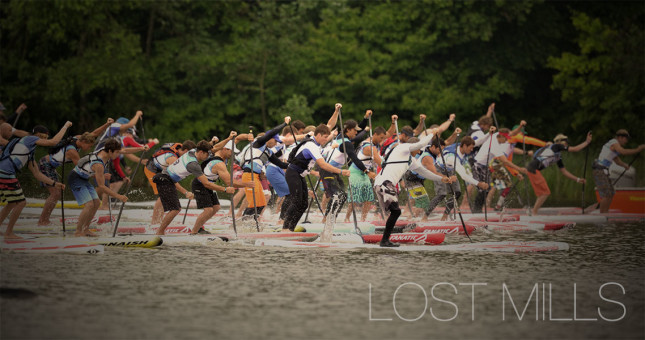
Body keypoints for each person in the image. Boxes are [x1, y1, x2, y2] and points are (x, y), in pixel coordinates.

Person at [374, 129, 451, 247]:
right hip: (385, 183)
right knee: (396, 212)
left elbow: (424, 172)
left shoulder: (411, 161)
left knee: (394, 212)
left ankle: (385, 237)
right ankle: (384, 240)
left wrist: (441, 179)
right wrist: (432, 133)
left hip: (383, 184)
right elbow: (420, 144)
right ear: (413, 146)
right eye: (418, 149)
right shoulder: (402, 148)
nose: (420, 151)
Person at [36, 118, 116, 225]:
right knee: (55, 193)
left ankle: (44, 219)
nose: (90, 148)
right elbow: (83, 170)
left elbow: (94, 133)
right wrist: (100, 174)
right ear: (83, 142)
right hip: (45, 165)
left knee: (56, 193)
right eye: (89, 145)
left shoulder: (79, 138)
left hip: (50, 165)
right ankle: (43, 220)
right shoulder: (72, 152)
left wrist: (107, 124)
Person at [0, 122, 72, 238]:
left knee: (12, 203)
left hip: (4, 172)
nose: (44, 140)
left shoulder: (30, 152)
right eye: (43, 137)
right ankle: (8, 233)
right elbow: (53, 142)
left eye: (45, 138)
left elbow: (37, 174)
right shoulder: (29, 139)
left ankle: (5, 231)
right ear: (37, 134)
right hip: (5, 172)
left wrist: (55, 183)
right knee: (21, 202)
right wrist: (65, 126)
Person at [154, 140, 236, 235]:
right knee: (175, 209)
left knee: (176, 209)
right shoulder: (193, 165)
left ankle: (161, 231)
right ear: (201, 152)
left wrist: (228, 138)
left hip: (167, 179)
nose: (208, 157)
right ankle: (159, 233)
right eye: (206, 155)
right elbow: (206, 184)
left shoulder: (193, 150)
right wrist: (225, 189)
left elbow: (215, 148)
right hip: (163, 179)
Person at [67, 138, 146, 236]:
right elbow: (102, 186)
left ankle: (86, 229)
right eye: (117, 152)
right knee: (89, 205)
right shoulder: (99, 164)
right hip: (75, 178)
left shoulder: (107, 150)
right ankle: (78, 231)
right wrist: (119, 196)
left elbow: (125, 150)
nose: (118, 154)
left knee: (96, 203)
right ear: (110, 151)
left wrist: (142, 148)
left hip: (85, 177)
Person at [281, 124, 350, 232]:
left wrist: (336, 111)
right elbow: (323, 165)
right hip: (293, 173)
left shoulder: (316, 145)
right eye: (325, 137)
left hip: (300, 175)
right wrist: (341, 171)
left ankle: (291, 228)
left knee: (304, 204)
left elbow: (329, 126)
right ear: (318, 135)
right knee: (296, 201)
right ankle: (285, 229)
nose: (326, 140)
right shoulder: (311, 146)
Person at [320, 112, 373, 223]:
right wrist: (366, 171)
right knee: (337, 194)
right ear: (348, 130)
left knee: (343, 196)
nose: (357, 132)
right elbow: (355, 158)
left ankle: (331, 218)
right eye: (354, 130)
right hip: (327, 170)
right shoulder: (347, 144)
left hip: (334, 171)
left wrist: (365, 118)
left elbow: (359, 129)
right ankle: (326, 220)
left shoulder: (341, 135)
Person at [191, 138, 251, 234]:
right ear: (225, 149)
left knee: (216, 208)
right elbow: (229, 183)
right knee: (208, 210)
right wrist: (247, 184)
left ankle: (199, 227)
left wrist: (248, 136)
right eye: (231, 152)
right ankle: (194, 232)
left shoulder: (222, 155)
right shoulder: (219, 163)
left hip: (210, 184)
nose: (233, 154)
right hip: (200, 185)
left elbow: (237, 138)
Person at [527, 132, 592, 215]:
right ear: (561, 142)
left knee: (542, 193)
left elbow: (564, 171)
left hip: (533, 169)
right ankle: (534, 213)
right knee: (545, 193)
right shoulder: (556, 146)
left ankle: (532, 212)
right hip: (533, 169)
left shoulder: (557, 155)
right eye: (566, 142)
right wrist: (587, 142)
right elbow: (575, 149)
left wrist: (578, 179)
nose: (566, 144)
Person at [239, 117, 291, 216]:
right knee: (254, 204)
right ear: (269, 139)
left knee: (262, 204)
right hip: (249, 175)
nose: (276, 144)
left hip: (256, 177)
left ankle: (252, 223)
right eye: (275, 141)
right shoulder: (259, 143)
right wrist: (285, 124)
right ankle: (243, 223)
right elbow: (272, 132)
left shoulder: (269, 152)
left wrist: (295, 164)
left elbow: (281, 164)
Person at [471, 127, 528, 213]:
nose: (506, 141)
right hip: (477, 165)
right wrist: (519, 169)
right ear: (501, 136)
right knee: (483, 188)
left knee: (488, 187)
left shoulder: (495, 135)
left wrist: (520, 126)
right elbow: (505, 162)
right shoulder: (495, 146)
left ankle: (478, 209)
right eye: (505, 139)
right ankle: (476, 210)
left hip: (484, 166)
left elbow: (511, 133)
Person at [432, 136, 489, 221]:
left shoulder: (461, 145)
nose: (472, 150)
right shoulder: (453, 157)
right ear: (465, 146)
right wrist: (479, 183)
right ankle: (425, 216)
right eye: (471, 148)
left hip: (449, 169)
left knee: (457, 192)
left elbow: (478, 141)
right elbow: (464, 176)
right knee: (441, 194)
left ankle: (445, 215)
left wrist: (490, 133)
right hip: (439, 169)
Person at [587, 129, 645, 213]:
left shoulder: (614, 148)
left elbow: (617, 160)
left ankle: (605, 213)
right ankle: (602, 215)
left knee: (610, 193)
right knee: (607, 195)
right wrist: (638, 149)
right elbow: (623, 152)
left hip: (603, 171)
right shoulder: (614, 142)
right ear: (620, 137)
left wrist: (625, 166)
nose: (626, 141)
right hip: (599, 170)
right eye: (626, 139)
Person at [144, 140, 196, 224]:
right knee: (163, 195)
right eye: (190, 154)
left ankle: (159, 220)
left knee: (165, 193)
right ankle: (155, 222)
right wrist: (185, 192)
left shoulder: (179, 147)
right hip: (152, 170)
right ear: (186, 151)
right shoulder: (173, 159)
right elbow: (172, 180)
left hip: (161, 168)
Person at [345, 126, 386, 222]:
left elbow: (388, 132)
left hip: (365, 173)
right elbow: (378, 160)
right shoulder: (369, 147)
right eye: (381, 138)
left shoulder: (374, 143)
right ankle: (347, 218)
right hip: (355, 172)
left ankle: (363, 220)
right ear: (375, 134)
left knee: (369, 198)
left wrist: (393, 123)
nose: (382, 140)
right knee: (355, 199)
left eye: (383, 138)